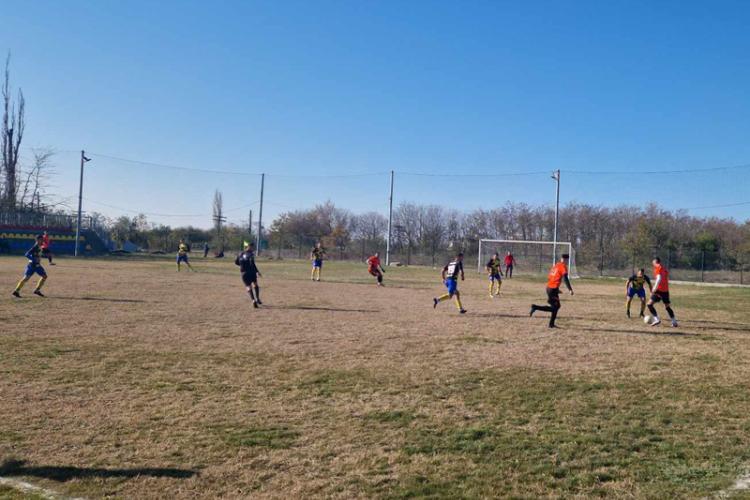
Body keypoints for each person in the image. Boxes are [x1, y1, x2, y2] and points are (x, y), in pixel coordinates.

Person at [529, 253, 574, 328]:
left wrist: (557, 289)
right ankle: (535, 307)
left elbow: (551, 277)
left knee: (556, 307)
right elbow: (565, 278)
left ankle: (551, 324)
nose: (567, 261)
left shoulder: (556, 265)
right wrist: (570, 289)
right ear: (565, 260)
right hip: (552, 289)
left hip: (550, 288)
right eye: (567, 260)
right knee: (555, 307)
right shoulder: (563, 266)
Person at [646, 257, 678, 327]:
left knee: (649, 304)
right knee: (667, 307)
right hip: (665, 290)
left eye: (653, 262)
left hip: (658, 290)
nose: (652, 264)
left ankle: (656, 319)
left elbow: (659, 279)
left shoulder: (657, 268)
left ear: (655, 262)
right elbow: (665, 278)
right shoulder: (664, 269)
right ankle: (674, 322)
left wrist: (654, 288)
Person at [235, 242, 262, 308]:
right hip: (251, 272)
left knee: (248, 287)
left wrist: (242, 265)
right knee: (255, 284)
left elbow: (236, 262)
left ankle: (253, 300)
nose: (253, 249)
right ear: (249, 247)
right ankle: (257, 299)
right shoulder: (251, 254)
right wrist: (257, 271)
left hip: (244, 273)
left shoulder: (240, 254)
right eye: (252, 247)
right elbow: (252, 264)